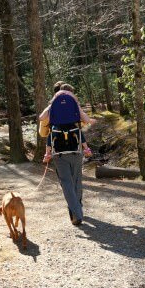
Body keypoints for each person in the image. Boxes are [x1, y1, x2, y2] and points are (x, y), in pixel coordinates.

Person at [41, 83, 93, 226]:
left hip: (59, 152)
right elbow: (85, 122)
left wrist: (51, 105)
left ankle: (76, 213)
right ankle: (77, 211)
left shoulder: (53, 106)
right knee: (76, 181)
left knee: (66, 183)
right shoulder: (74, 104)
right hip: (76, 149)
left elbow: (41, 119)